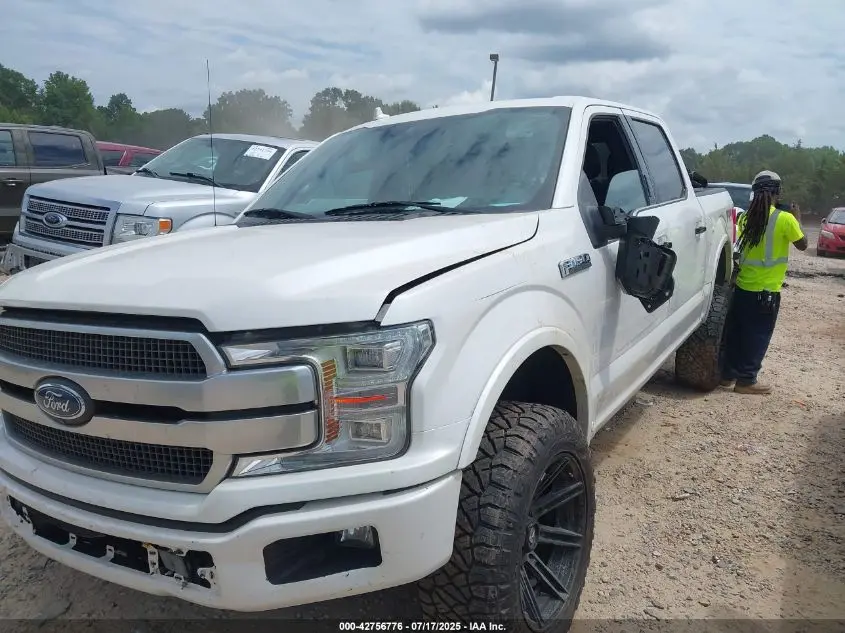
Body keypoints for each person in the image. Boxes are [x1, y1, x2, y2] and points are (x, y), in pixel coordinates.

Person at [721, 170, 808, 394]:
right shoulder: (785, 218)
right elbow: (803, 244)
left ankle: (728, 375)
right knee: (758, 335)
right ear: (776, 192)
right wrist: (797, 217)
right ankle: (747, 380)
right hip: (766, 292)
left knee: (737, 333)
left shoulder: (745, 218)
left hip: (742, 288)